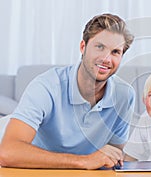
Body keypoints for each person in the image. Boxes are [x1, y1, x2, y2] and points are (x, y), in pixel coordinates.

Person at [0, 13, 135, 170]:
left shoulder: (125, 95)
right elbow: (8, 152)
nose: (106, 59)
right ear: (83, 47)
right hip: (38, 170)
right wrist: (83, 161)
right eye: (100, 47)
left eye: (115, 52)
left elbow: (114, 153)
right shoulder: (47, 86)